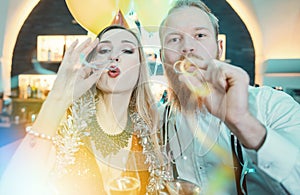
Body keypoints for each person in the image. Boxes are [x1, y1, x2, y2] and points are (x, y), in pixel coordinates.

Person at [0, 25, 171, 194]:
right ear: (92, 64)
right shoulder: (67, 128)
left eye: (126, 50)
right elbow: (12, 187)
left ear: (140, 67)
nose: (114, 56)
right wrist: (57, 99)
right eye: (104, 50)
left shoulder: (152, 133)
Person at [158, 0, 300, 194]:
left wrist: (243, 123)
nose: (187, 47)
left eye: (199, 35)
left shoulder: (273, 106)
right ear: (161, 57)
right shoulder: (157, 121)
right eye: (174, 39)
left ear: (220, 48)